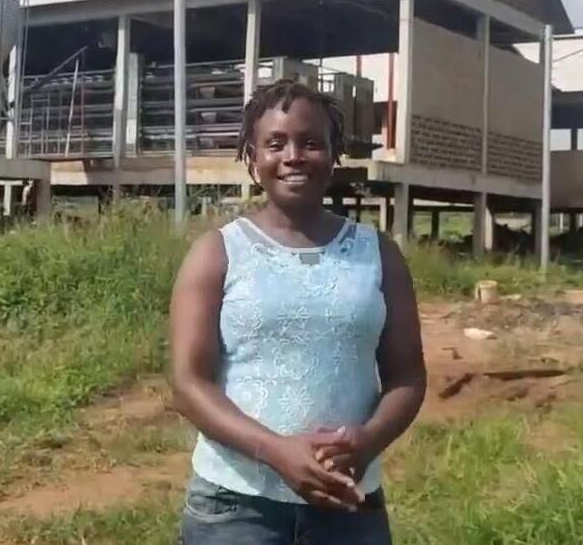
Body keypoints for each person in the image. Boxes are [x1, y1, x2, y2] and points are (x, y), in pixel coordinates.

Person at [169, 79, 427, 544]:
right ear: (253, 157)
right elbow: (189, 384)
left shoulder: (378, 255)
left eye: (311, 142)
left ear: (334, 154)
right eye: (276, 143)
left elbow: (408, 377)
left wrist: (367, 443)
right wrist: (276, 452)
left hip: (349, 502)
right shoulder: (217, 253)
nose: (294, 156)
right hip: (236, 508)